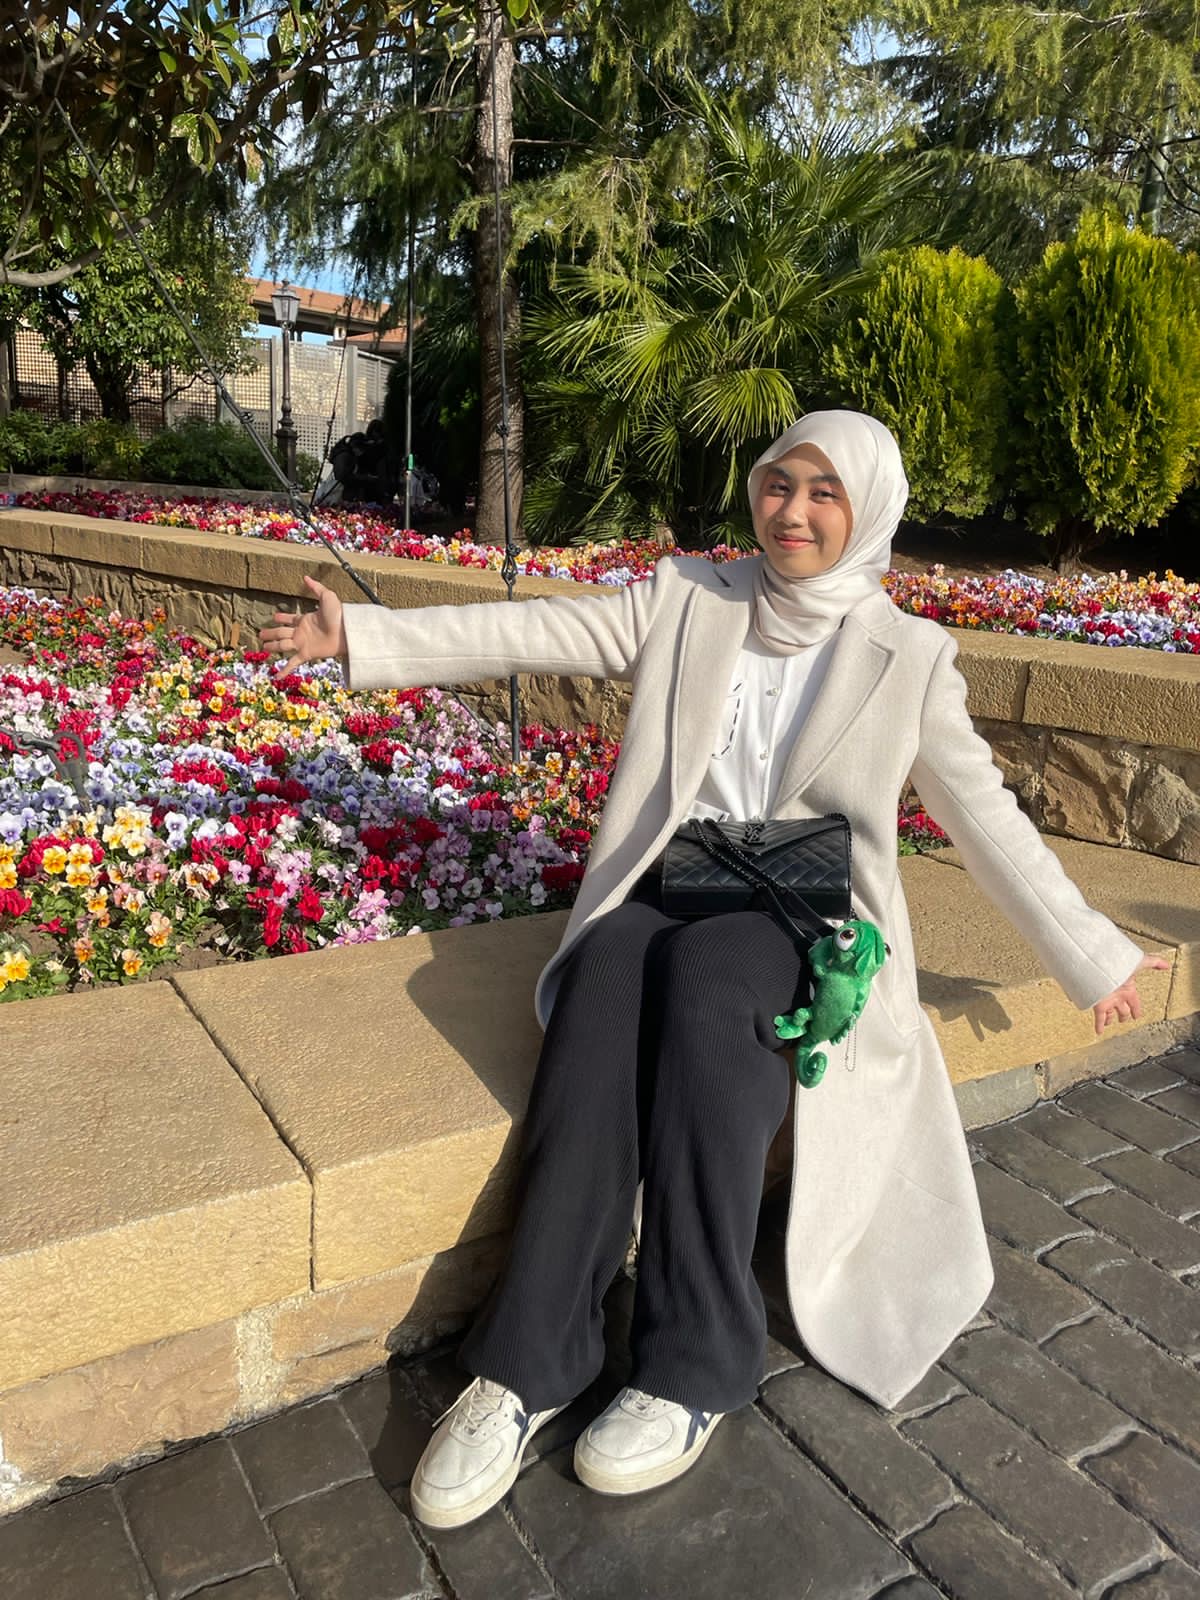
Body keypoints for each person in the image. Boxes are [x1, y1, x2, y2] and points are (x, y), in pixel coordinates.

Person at [260, 410, 1165, 1530]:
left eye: (824, 493)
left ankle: (694, 1362)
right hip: (680, 875)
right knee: (603, 973)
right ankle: (529, 1361)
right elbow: (541, 630)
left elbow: (987, 818)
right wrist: (363, 638)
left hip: (801, 905)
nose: (793, 512)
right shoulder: (691, 597)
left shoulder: (910, 656)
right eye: (779, 484)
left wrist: (1089, 954)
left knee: (710, 983)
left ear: (868, 510)